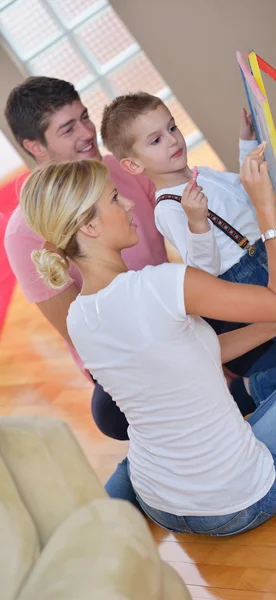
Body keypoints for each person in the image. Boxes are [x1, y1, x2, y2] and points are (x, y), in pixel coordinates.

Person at [18, 147, 276, 536]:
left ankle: (103, 514)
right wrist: (265, 206)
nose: (127, 203)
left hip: (159, 503)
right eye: (113, 198)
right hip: (239, 501)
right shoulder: (161, 284)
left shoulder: (78, 315)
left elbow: (200, 353)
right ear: (89, 227)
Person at [100, 92, 276, 386]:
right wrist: (197, 223)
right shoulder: (169, 208)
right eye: (155, 140)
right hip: (249, 277)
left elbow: (245, 193)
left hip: (268, 256)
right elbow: (201, 272)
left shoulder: (199, 174)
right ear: (133, 166)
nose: (172, 140)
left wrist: (246, 144)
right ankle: (262, 385)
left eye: (172, 128)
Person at [4, 76, 168, 441]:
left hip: (180, 305)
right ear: (36, 147)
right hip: (128, 351)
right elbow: (80, 332)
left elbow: (190, 220)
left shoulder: (122, 168)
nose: (87, 132)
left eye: (85, 117)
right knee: (111, 415)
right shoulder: (23, 234)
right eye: (67, 128)